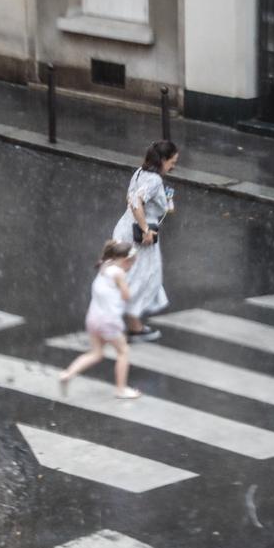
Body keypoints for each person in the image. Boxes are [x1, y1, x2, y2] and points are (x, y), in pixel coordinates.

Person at [112, 140, 178, 342]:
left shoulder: (140, 172)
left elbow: (130, 198)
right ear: (163, 160)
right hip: (138, 236)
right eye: (172, 162)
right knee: (144, 277)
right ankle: (132, 325)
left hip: (124, 229)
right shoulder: (154, 180)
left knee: (134, 275)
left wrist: (162, 204)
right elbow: (135, 201)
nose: (173, 166)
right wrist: (145, 228)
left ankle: (121, 317)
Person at [59, 240, 141, 399]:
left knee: (96, 353)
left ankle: (67, 374)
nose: (131, 267)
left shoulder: (106, 265)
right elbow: (127, 296)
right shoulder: (119, 273)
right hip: (109, 321)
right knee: (123, 352)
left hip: (93, 318)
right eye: (132, 263)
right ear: (125, 261)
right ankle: (121, 389)